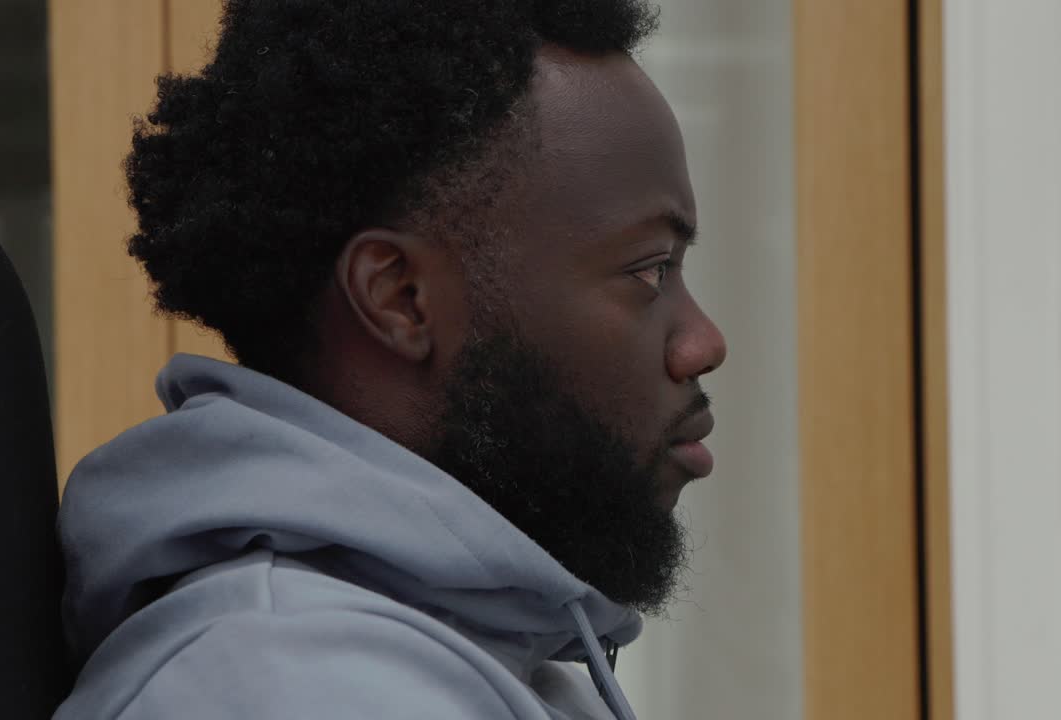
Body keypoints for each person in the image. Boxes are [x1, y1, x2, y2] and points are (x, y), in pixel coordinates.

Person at [52, 1, 727, 718]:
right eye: (650, 271)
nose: (703, 342)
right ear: (402, 298)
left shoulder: (481, 648)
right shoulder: (293, 684)